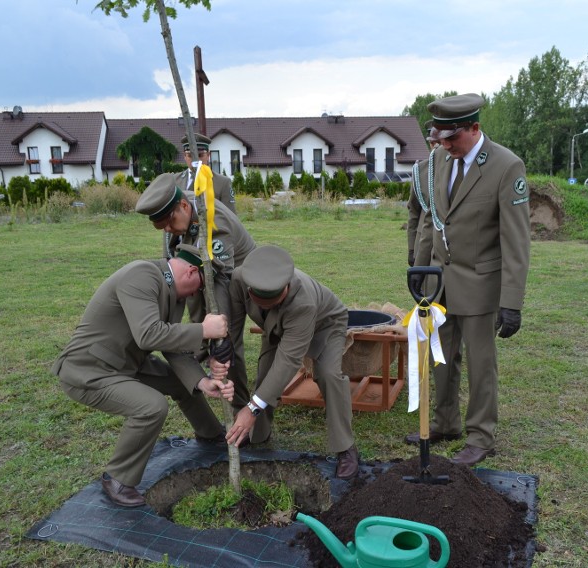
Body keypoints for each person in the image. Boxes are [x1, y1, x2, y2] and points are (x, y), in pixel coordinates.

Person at [52, 245, 235, 507]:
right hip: (89, 370)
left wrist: (201, 381)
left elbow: (170, 344)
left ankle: (210, 433)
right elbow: (149, 334)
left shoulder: (173, 290)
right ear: (192, 271)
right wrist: (203, 330)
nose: (197, 294)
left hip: (127, 362)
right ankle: (117, 478)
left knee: (181, 382)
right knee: (151, 407)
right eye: (199, 287)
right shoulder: (142, 276)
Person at [407, 93, 531, 466]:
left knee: (481, 363)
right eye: (439, 138)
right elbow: (431, 219)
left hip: (481, 283)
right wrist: (418, 266)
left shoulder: (506, 167)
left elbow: (516, 241)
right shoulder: (438, 163)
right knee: (441, 357)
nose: (444, 146)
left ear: (475, 128)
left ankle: (481, 435)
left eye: (452, 138)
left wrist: (511, 302)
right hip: (439, 284)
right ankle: (445, 422)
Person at [224, 245, 360, 479]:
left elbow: (288, 361)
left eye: (279, 300)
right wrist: (222, 357)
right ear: (250, 290)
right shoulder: (239, 279)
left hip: (325, 325)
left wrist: (252, 408)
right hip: (276, 328)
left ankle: (346, 447)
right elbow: (233, 330)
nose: (274, 304)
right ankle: (258, 434)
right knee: (266, 375)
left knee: (328, 375)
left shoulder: (302, 302)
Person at [135, 172, 255, 411]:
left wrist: (221, 329)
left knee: (227, 341)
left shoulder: (214, 221)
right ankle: (200, 374)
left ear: (183, 206)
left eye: (170, 224)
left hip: (235, 275)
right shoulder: (172, 211)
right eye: (163, 227)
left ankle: (239, 404)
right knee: (200, 324)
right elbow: (171, 255)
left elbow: (220, 278)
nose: (168, 229)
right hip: (198, 269)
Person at [406, 122, 440, 267]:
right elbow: (414, 211)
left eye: (440, 142)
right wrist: (411, 249)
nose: (437, 147)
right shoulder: (420, 171)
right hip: (423, 246)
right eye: (433, 143)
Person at [183, 133, 236, 214]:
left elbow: (230, 216)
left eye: (200, 155)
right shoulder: (174, 181)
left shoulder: (223, 183)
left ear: (208, 155)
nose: (195, 160)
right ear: (185, 156)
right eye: (190, 155)